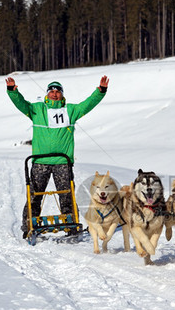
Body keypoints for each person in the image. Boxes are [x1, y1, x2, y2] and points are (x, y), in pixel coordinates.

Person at [6, 74, 109, 237]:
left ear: (62, 94)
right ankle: (28, 227)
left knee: (67, 196)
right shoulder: (37, 109)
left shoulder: (71, 110)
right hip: (40, 162)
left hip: (63, 161)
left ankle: (71, 227)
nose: (55, 93)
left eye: (58, 91)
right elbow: (21, 104)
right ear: (47, 94)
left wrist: (100, 91)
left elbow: (88, 105)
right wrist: (12, 91)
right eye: (51, 91)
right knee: (34, 196)